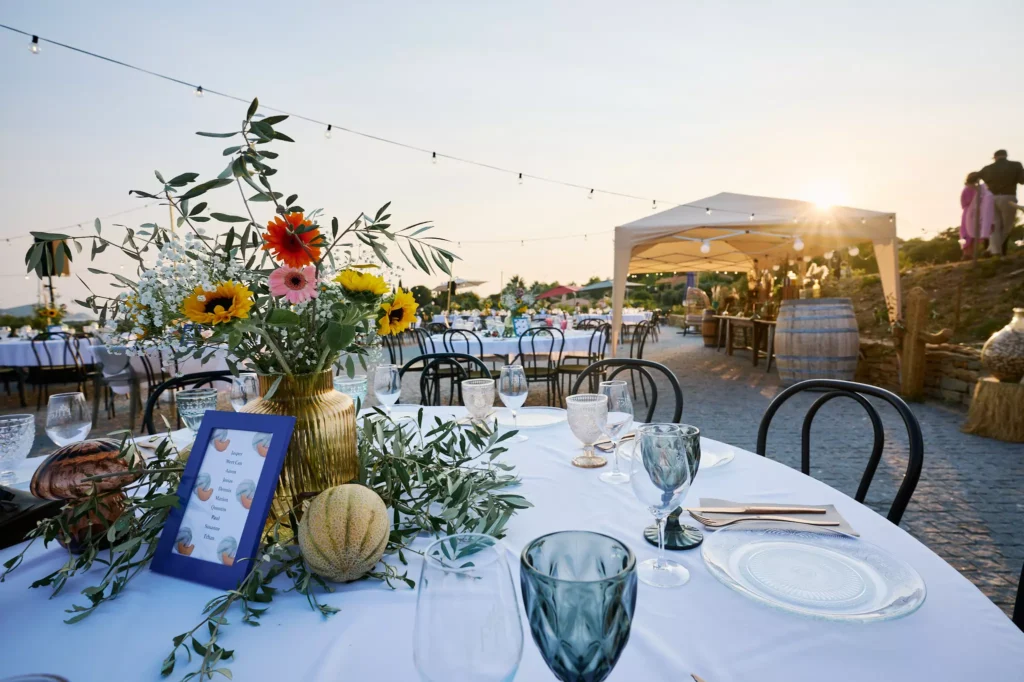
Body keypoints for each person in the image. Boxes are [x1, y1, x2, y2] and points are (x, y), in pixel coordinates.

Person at [977, 150, 1024, 255]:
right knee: (1007, 226)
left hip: (992, 198)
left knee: (996, 226)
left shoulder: (987, 168)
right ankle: (994, 250)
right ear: (1006, 156)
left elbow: (975, 177)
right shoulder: (1015, 165)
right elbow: (1022, 180)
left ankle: (993, 250)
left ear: (995, 157)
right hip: (1008, 197)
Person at [960, 172, 994, 257]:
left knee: (968, 233)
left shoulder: (968, 189)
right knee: (971, 233)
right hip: (975, 211)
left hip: (970, 211)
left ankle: (968, 254)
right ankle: (969, 253)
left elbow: (963, 203)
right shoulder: (979, 188)